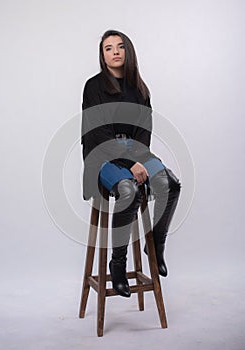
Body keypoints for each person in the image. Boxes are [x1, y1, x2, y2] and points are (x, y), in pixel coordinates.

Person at [81, 29, 181, 298]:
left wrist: (137, 159)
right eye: (108, 48)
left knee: (169, 183)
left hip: (136, 150)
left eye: (120, 46)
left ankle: (156, 245)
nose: (114, 51)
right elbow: (97, 134)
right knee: (130, 190)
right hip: (101, 153)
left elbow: (144, 132)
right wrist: (129, 162)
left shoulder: (139, 88)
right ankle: (118, 264)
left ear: (128, 51)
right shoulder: (93, 87)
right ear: (102, 56)